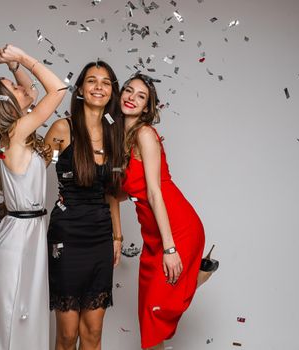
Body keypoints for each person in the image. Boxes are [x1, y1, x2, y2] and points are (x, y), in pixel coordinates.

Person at [0, 43, 66, 350]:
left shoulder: (14, 136)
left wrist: (14, 68)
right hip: (19, 244)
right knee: (14, 327)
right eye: (13, 86)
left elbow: (35, 94)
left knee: (21, 326)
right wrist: (23, 57)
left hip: (22, 236)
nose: (21, 86)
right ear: (5, 105)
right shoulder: (15, 135)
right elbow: (58, 89)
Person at [120, 74, 206, 350]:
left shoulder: (145, 134)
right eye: (128, 90)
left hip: (175, 225)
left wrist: (170, 249)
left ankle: (191, 278)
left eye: (141, 96)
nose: (131, 97)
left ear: (147, 108)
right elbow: (128, 190)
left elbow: (154, 192)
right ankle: (193, 277)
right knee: (148, 311)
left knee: (156, 308)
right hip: (152, 231)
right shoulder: (116, 138)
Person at [43, 60, 125, 350]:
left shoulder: (116, 134)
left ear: (112, 92)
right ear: (80, 89)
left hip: (100, 236)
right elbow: (25, 174)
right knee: (67, 335)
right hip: (66, 235)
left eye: (105, 82)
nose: (98, 87)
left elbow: (112, 192)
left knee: (93, 332)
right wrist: (1, 217)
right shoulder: (62, 129)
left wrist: (117, 235)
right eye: (91, 80)